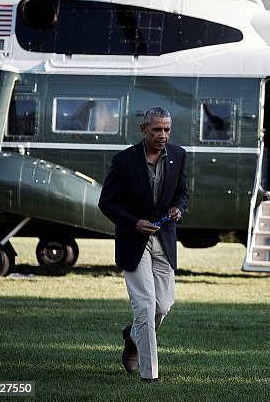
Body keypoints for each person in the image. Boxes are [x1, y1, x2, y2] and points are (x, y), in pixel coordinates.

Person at [98, 106, 189, 382]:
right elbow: (107, 202)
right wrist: (133, 222)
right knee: (146, 306)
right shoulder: (124, 160)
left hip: (164, 240)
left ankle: (132, 336)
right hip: (133, 242)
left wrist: (178, 209)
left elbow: (182, 194)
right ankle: (150, 375)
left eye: (167, 130)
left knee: (163, 306)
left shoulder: (178, 156)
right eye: (157, 130)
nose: (163, 135)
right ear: (144, 130)